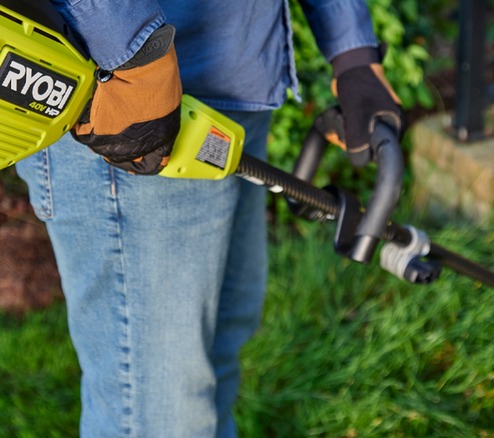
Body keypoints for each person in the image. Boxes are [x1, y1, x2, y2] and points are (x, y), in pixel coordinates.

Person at [15, 0, 402, 436]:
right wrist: (136, 57)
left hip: (237, 80)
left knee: (220, 344)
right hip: (125, 108)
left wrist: (352, 53)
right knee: (159, 409)